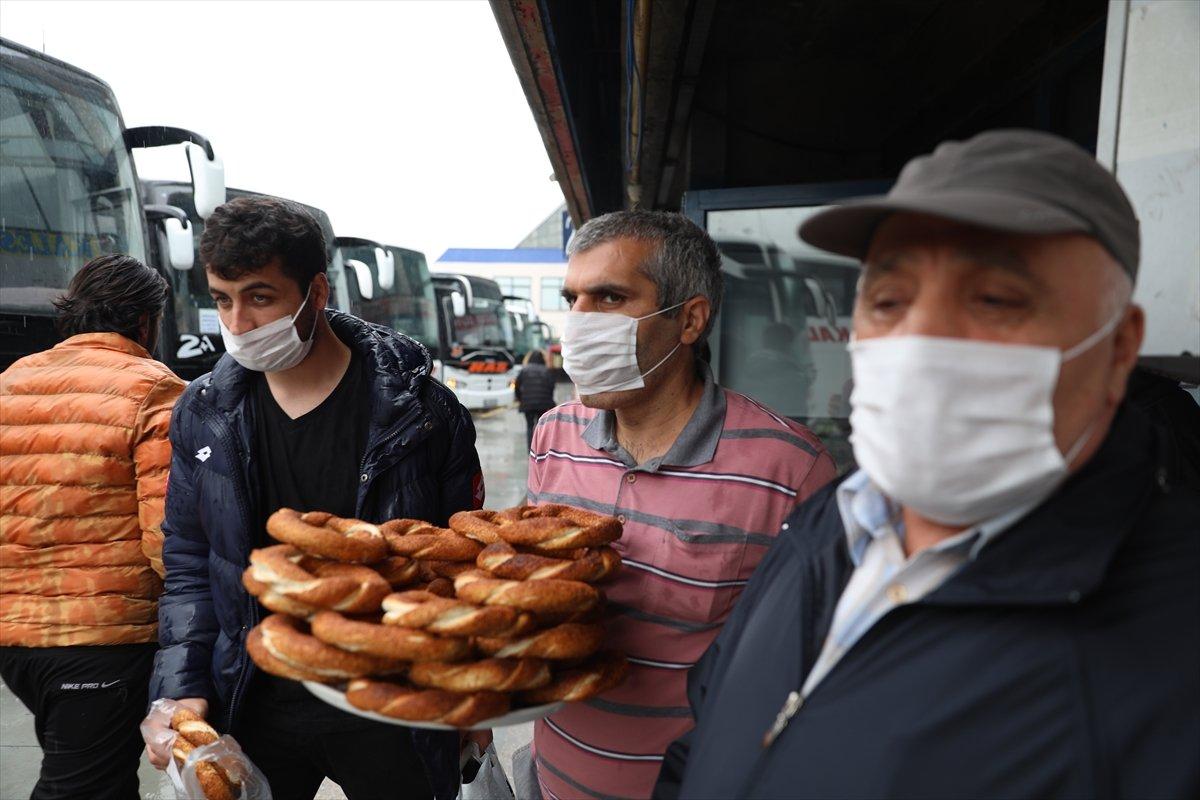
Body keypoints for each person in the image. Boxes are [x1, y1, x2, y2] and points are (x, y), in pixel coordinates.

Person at [654, 129, 1200, 799]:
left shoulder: (1171, 665)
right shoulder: (829, 521)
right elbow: (707, 730)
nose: (919, 339)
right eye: (888, 301)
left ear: (1118, 349)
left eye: (996, 300)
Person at [139, 196, 484, 800]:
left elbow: (461, 565)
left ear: (317, 292)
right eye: (222, 298)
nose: (238, 321)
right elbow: (192, 566)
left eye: (261, 296)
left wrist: (470, 690)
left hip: (388, 702)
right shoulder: (203, 414)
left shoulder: (421, 413)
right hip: (254, 698)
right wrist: (180, 685)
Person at [525, 209, 837, 799]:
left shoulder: (790, 468)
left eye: (610, 297)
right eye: (572, 299)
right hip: (552, 779)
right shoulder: (553, 433)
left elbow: (807, 674)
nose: (578, 324)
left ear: (689, 319)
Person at [0, 254, 184, 800]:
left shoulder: (12, 380)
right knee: (84, 788)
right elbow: (167, 536)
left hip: (14, 638)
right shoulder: (155, 388)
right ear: (148, 322)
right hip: (103, 637)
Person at [515, 349, 557, 448]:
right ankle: (540, 449)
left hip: (527, 404)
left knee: (529, 427)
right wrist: (549, 401)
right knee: (541, 427)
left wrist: (520, 399)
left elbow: (517, 386)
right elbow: (551, 386)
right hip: (543, 404)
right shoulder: (546, 370)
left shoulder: (524, 370)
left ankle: (530, 451)